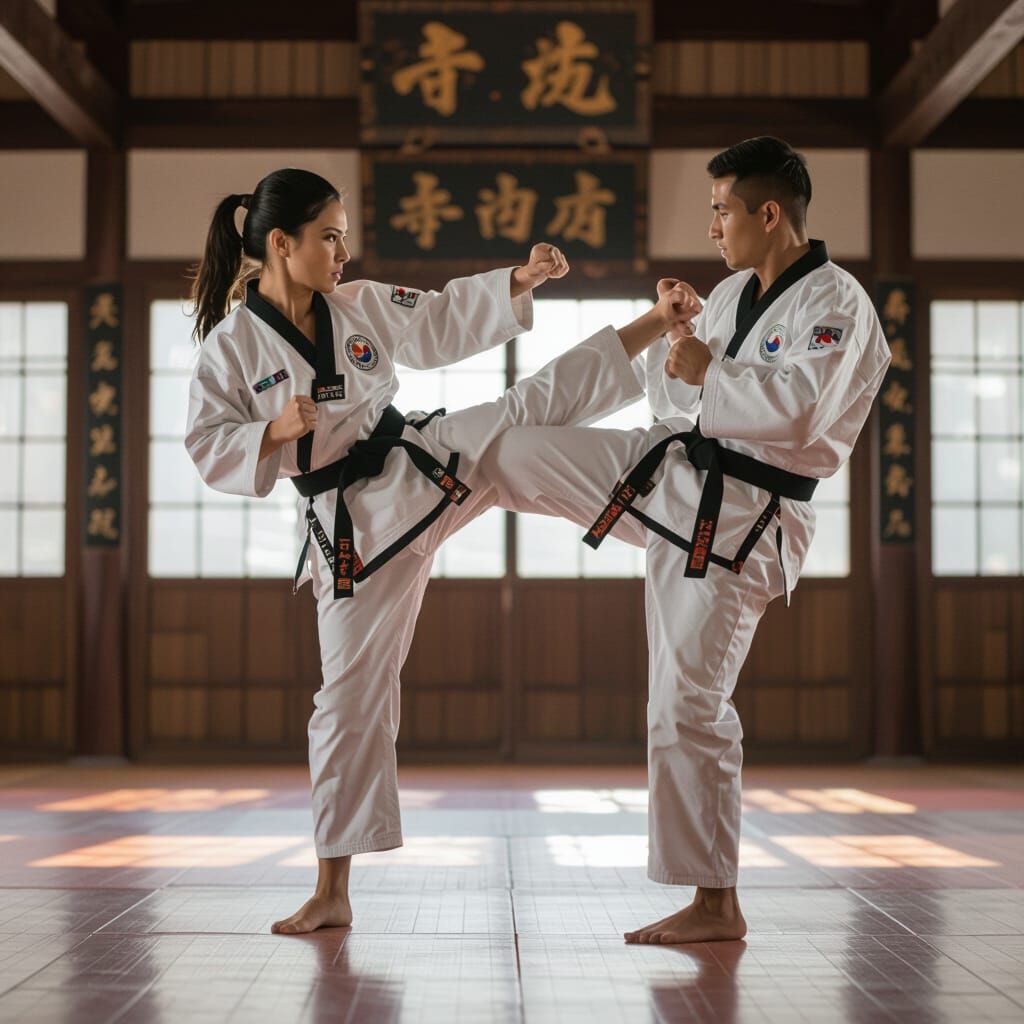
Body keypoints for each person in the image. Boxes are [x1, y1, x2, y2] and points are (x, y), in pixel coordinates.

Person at [183, 168, 699, 934]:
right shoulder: (231, 348)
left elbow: (439, 319)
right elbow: (204, 442)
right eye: (329, 236)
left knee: (520, 413)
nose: (343, 250)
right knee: (349, 698)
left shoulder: (353, 305)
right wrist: (272, 433)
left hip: (419, 466)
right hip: (352, 528)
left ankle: (656, 330)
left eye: (344, 234)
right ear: (282, 245)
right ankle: (332, 889)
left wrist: (518, 281)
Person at [481, 137, 892, 944]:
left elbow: (800, 414)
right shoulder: (735, 293)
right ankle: (421, 502)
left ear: (768, 213)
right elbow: (682, 402)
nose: (713, 226)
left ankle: (715, 904)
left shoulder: (838, 304)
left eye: (721, 209)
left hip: (748, 520)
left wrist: (709, 371)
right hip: (674, 477)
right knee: (509, 451)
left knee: (683, 705)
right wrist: (676, 343)